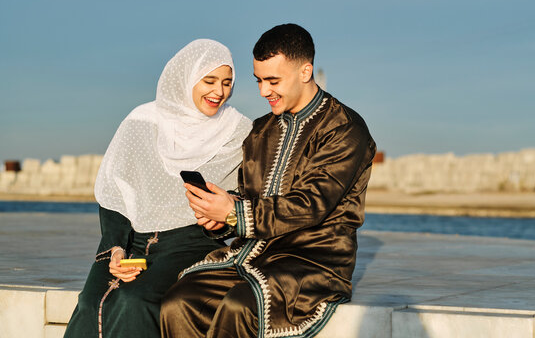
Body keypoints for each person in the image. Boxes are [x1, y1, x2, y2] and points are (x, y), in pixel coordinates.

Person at [160, 24, 376, 338]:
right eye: (259, 80)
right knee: (179, 302)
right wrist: (221, 215)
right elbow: (251, 194)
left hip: (312, 263)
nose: (264, 91)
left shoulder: (344, 129)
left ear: (305, 71)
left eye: (273, 80)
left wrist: (235, 213)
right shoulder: (261, 130)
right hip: (253, 254)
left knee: (239, 306)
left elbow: (310, 205)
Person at [64, 39, 252, 338]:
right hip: (130, 243)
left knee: (135, 300)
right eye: (209, 80)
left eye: (227, 83)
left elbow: (244, 200)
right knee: (91, 304)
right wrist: (115, 249)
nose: (219, 91)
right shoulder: (142, 121)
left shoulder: (239, 131)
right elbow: (116, 194)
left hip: (192, 244)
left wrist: (223, 219)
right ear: (185, 77)